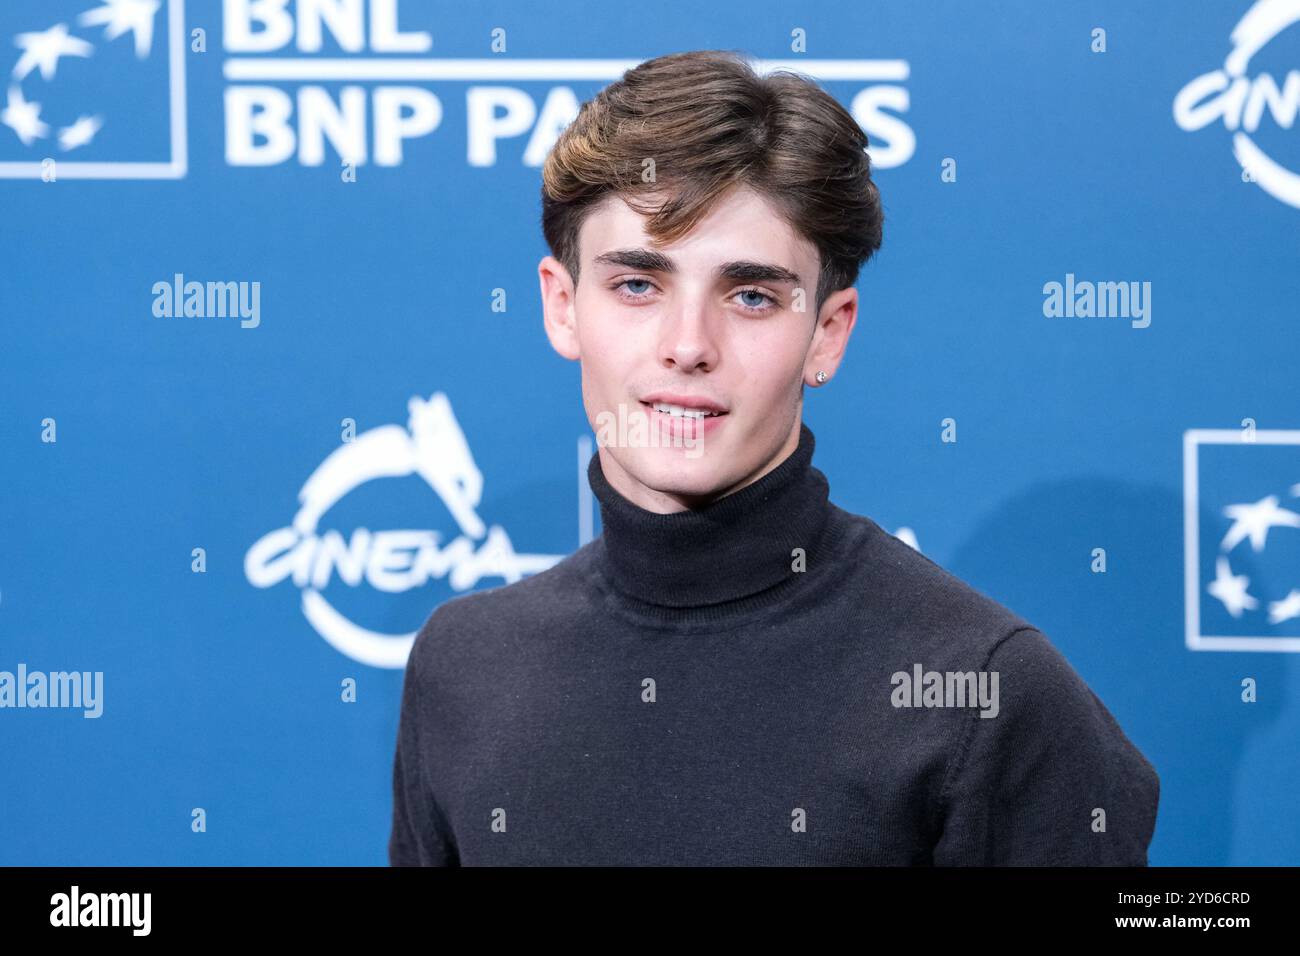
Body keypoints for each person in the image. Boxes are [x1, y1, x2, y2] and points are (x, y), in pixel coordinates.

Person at [388, 49, 1160, 866]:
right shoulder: (465, 663)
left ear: (828, 333)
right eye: (638, 286)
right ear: (561, 305)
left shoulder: (984, 692)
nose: (688, 347)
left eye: (751, 296)